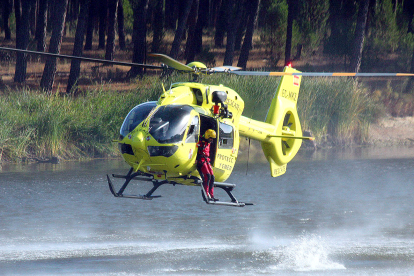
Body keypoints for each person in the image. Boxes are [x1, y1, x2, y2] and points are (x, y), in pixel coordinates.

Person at [196, 129, 218, 201]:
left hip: (206, 160)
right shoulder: (201, 142)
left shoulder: (208, 143)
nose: (211, 140)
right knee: (207, 176)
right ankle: (206, 194)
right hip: (201, 160)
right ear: (207, 136)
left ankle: (211, 195)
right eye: (211, 138)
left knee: (212, 177)